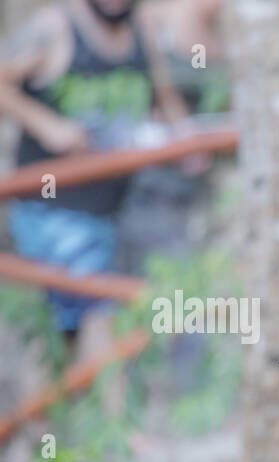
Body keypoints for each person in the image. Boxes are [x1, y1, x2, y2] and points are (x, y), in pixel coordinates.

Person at [0, 0, 187, 352]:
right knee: (72, 329)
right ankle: (82, 403)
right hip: (51, 210)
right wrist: (47, 125)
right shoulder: (54, 27)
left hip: (117, 212)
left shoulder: (141, 31)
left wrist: (186, 142)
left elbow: (166, 99)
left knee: (106, 320)